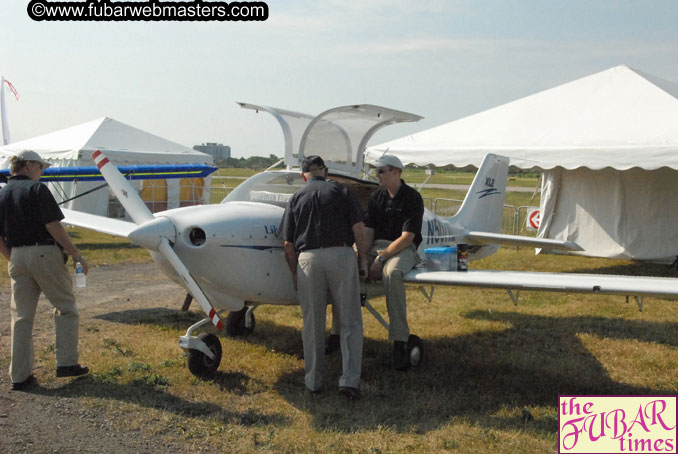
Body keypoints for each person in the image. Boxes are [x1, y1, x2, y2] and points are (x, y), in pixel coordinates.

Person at [0, 150, 89, 391]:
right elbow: (53, 225)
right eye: (41, 167)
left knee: (21, 317)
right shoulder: (37, 190)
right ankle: (67, 363)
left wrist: (12, 257)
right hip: (44, 252)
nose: (42, 172)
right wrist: (75, 253)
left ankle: (19, 376)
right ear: (29, 165)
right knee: (66, 307)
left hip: (16, 255)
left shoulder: (2, 192)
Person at [280, 155, 368, 399]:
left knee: (313, 323)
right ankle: (349, 381)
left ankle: (313, 381)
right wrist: (362, 257)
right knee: (350, 320)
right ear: (325, 172)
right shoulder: (341, 190)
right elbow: (358, 228)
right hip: (341, 254)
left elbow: (288, 244)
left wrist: (295, 274)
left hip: (308, 258)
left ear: (303, 175)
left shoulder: (296, 197)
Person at [364, 154, 424, 371]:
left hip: (403, 247)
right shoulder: (376, 197)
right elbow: (369, 230)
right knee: (348, 269)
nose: (376, 175)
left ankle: (400, 341)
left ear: (396, 172)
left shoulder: (412, 198)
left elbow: (407, 237)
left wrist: (380, 259)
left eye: (381, 171)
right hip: (378, 244)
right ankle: (338, 333)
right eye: (376, 171)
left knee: (393, 273)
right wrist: (362, 256)